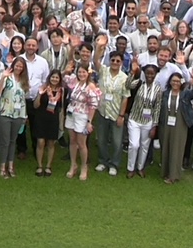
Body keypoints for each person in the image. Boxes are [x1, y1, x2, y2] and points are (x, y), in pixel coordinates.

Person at [93, 39, 130, 176]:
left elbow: (125, 97)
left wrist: (121, 115)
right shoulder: (103, 71)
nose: (114, 63)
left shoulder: (124, 78)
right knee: (101, 140)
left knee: (116, 141)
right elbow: (96, 60)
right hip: (102, 111)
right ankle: (103, 161)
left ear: (121, 63)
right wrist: (99, 47)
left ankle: (114, 164)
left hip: (116, 113)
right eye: (113, 60)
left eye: (117, 61)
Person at [158, 71, 193, 184]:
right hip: (166, 123)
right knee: (166, 146)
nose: (175, 83)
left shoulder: (185, 94)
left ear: (181, 82)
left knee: (177, 148)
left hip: (180, 124)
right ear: (170, 82)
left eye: (178, 81)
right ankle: (165, 172)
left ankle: (173, 175)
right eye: (173, 81)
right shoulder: (165, 93)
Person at [62, 64, 101, 181]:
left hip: (83, 115)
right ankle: (73, 164)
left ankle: (84, 167)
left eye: (84, 72)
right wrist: (67, 70)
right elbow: (64, 77)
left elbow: (93, 105)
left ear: (88, 73)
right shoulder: (75, 82)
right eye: (79, 72)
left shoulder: (90, 86)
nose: (81, 74)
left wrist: (89, 121)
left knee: (81, 143)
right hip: (71, 113)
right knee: (72, 141)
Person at [124, 61, 162, 178]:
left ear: (156, 74)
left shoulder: (158, 89)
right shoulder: (139, 83)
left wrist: (154, 126)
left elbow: (157, 108)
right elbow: (127, 85)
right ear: (144, 73)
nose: (150, 76)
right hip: (134, 119)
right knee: (134, 145)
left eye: (152, 74)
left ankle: (140, 167)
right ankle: (131, 168)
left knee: (144, 146)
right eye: (148, 73)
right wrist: (133, 72)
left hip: (148, 121)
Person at [0, 57, 29, 178]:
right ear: (13, 65)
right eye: (17, 65)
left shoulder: (24, 81)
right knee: (5, 141)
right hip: (4, 113)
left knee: (13, 141)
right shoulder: (7, 77)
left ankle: (10, 166)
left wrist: (24, 116)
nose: (19, 68)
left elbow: (24, 99)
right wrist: (3, 77)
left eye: (21, 66)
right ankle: (2, 167)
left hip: (18, 115)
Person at [32, 71, 65, 176]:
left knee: (51, 143)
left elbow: (61, 108)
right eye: (53, 77)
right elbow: (35, 105)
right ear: (49, 78)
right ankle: (39, 165)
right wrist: (39, 95)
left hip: (53, 119)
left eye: (57, 77)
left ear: (59, 79)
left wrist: (61, 123)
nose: (54, 79)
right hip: (41, 118)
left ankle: (48, 166)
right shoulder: (44, 88)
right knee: (40, 142)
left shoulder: (61, 91)